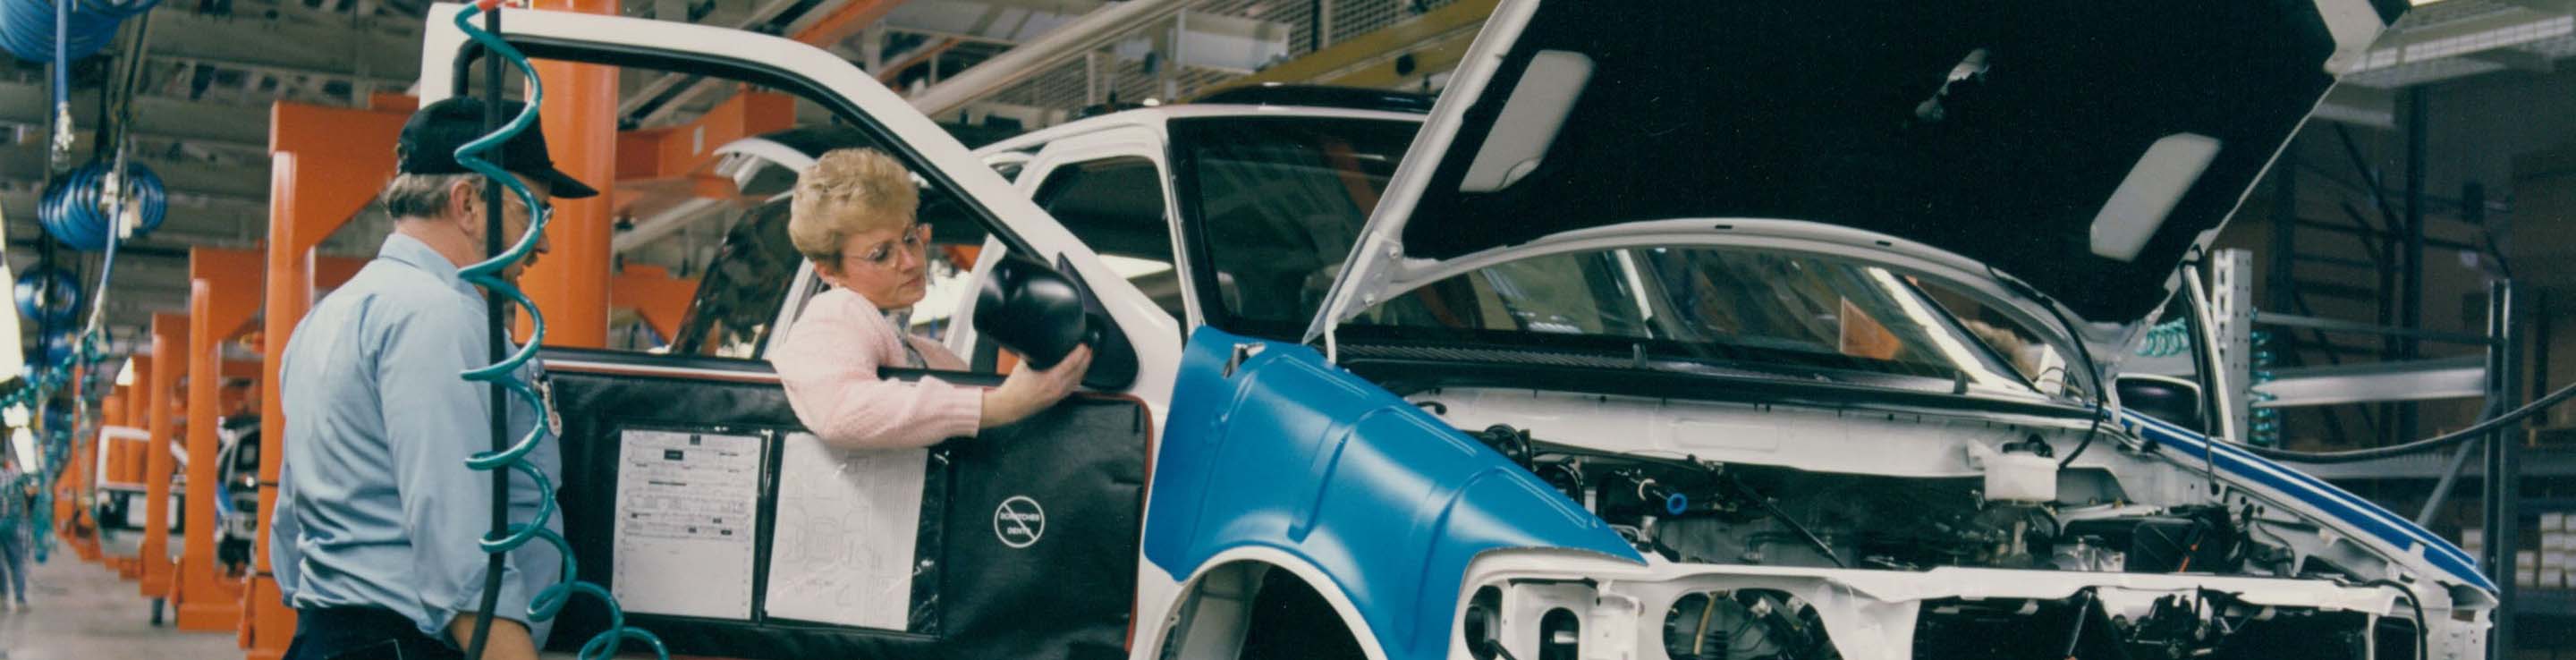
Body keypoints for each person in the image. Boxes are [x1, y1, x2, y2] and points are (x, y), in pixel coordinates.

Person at [267, 97, 597, 660]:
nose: (541, 243)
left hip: (331, 635)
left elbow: (288, 526)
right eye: (530, 213)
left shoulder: (329, 315)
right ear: (468, 203)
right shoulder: (444, 320)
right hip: (407, 644)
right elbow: (464, 565)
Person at [769, 148, 1090, 449]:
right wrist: (1001, 406)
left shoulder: (934, 357)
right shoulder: (833, 315)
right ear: (828, 271)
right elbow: (840, 410)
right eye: (881, 254)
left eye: (910, 238)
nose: (910, 261)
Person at [0, 454, 30, 612]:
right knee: (17, 563)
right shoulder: (16, 474)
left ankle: (2, 597)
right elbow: (30, 493)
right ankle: (20, 600)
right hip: (12, 524)